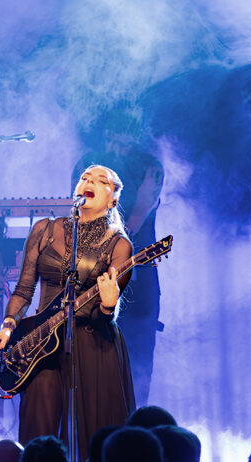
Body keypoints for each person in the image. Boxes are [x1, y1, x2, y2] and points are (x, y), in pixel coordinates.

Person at [0, 165, 135, 462]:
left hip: (92, 342)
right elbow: (24, 289)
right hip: (42, 343)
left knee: (94, 440)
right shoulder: (44, 230)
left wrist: (108, 306)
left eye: (100, 181)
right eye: (84, 178)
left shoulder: (119, 245)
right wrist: (7, 327)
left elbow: (101, 318)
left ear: (114, 199)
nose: (89, 182)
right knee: (37, 431)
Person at [71, 109, 164, 406]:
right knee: (91, 350)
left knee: (138, 352)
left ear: (135, 139)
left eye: (125, 143)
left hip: (138, 273)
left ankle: (135, 418)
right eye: (114, 141)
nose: (119, 149)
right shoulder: (88, 164)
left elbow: (136, 218)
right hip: (93, 272)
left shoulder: (150, 167)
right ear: (107, 135)